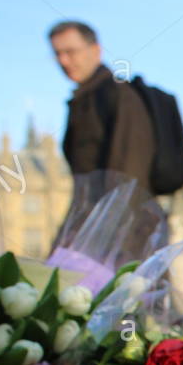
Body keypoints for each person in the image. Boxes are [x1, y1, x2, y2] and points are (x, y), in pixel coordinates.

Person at [49, 20, 160, 257]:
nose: (63, 61)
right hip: (89, 228)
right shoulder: (83, 100)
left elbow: (129, 179)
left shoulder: (117, 95)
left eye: (70, 52)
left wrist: (107, 239)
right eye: (57, 54)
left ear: (95, 50)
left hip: (121, 237)